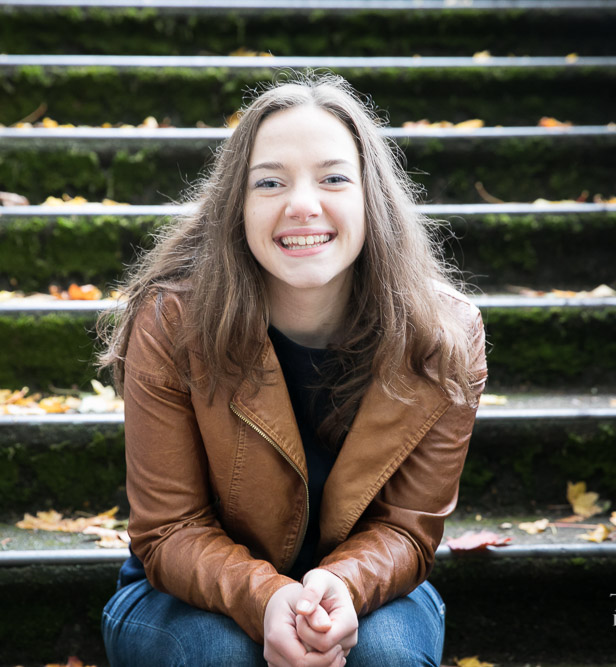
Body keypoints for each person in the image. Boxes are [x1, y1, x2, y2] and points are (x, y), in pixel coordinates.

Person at [96, 72, 487, 667]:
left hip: (375, 589)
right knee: (224, 656)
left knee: (386, 658)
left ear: (370, 198)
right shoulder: (174, 323)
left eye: (333, 178)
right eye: (270, 182)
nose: (303, 205)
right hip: (186, 591)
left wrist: (346, 588)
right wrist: (268, 597)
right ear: (238, 207)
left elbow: (409, 532)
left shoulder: (443, 337)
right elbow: (168, 531)